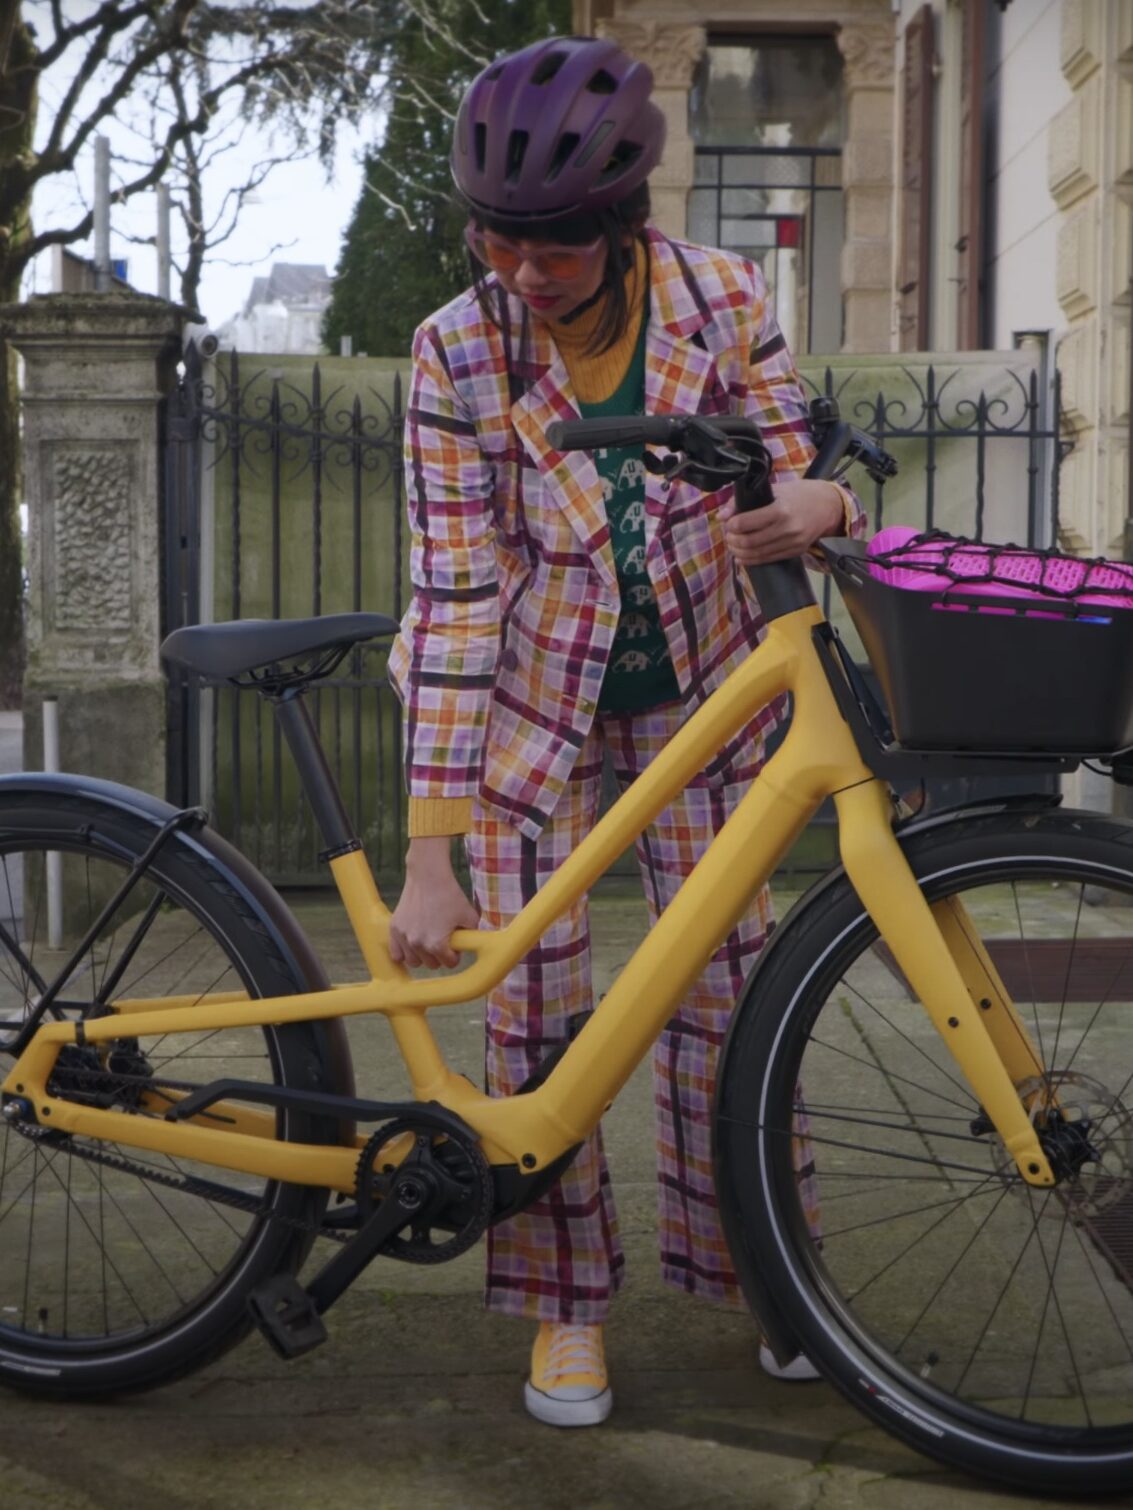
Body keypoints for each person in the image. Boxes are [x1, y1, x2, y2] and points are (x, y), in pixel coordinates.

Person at [387, 34, 864, 1428]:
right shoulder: (453, 349)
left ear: (620, 223)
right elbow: (458, 596)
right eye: (501, 242)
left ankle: (771, 1270)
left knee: (727, 1006)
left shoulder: (718, 298)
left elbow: (793, 456)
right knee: (533, 1021)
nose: (524, 275)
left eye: (555, 249)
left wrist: (825, 507)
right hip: (527, 713)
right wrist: (432, 857)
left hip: (701, 699)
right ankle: (563, 1311)